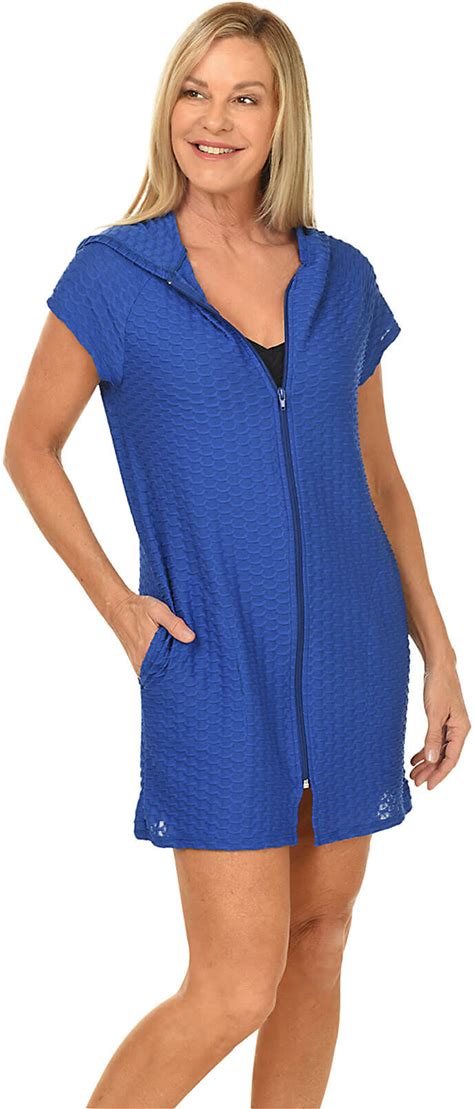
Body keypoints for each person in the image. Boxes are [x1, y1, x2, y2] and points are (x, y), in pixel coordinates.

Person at [4, 4, 470, 1107]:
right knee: (231, 985)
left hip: (354, 654)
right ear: (168, 106)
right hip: (212, 656)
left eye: (244, 97)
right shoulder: (115, 275)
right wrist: (121, 605)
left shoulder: (342, 280)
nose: (213, 120)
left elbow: (384, 484)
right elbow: (28, 444)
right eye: (194, 92)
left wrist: (441, 655)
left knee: (320, 938)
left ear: (281, 120)